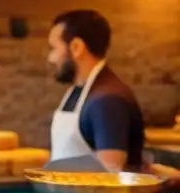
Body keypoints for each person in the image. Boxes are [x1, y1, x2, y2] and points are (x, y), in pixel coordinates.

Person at [47, 10, 145, 170]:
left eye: (54, 48)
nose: (51, 58)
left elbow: (111, 177)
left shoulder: (107, 101)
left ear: (77, 47)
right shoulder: (79, 91)